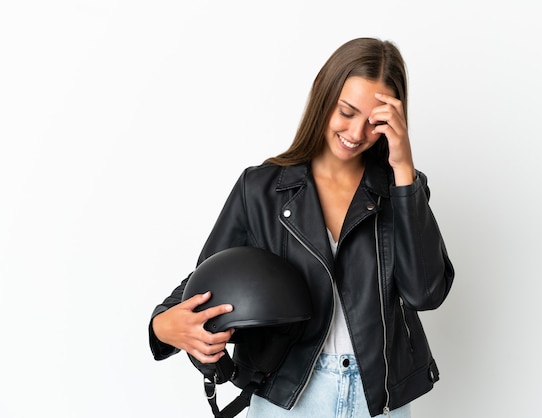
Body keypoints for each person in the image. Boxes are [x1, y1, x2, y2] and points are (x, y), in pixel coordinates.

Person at [149, 37, 454, 418]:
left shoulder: (402, 191)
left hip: (379, 400)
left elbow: (425, 292)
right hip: (290, 397)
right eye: (346, 112)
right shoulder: (260, 189)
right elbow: (204, 285)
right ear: (322, 95)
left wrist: (404, 170)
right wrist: (163, 326)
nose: (356, 133)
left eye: (374, 122)